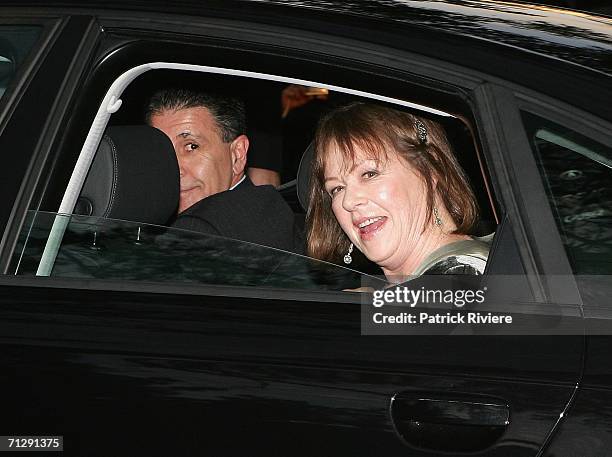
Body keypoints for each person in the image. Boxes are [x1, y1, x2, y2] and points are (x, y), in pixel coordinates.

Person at [306, 102, 489, 282]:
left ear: (430, 167)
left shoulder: (461, 278)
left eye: (369, 174)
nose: (348, 201)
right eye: (337, 189)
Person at [146, 88, 302, 253]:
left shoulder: (198, 230)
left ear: (238, 154)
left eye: (192, 146)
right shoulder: (266, 208)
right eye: (162, 150)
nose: (174, 168)